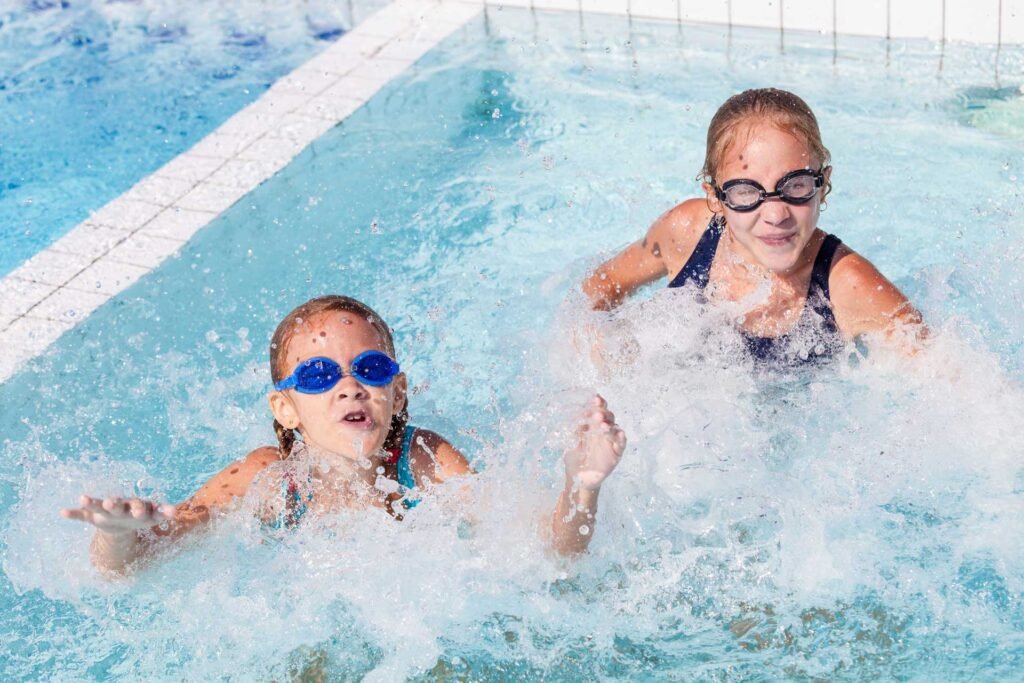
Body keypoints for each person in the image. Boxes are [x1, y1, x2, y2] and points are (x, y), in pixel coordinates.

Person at [62, 295, 627, 573]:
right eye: (318, 374)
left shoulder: (423, 460)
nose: (350, 386)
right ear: (285, 408)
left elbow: (551, 552)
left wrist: (582, 486)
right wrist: (116, 536)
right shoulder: (267, 477)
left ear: (397, 393)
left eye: (371, 369)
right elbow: (138, 563)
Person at [582, 88, 925, 365]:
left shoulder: (847, 286)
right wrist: (601, 359)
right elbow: (599, 288)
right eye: (745, 192)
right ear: (714, 197)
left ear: (823, 184)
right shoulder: (686, 231)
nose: (775, 215)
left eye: (796, 186)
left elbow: (951, 383)